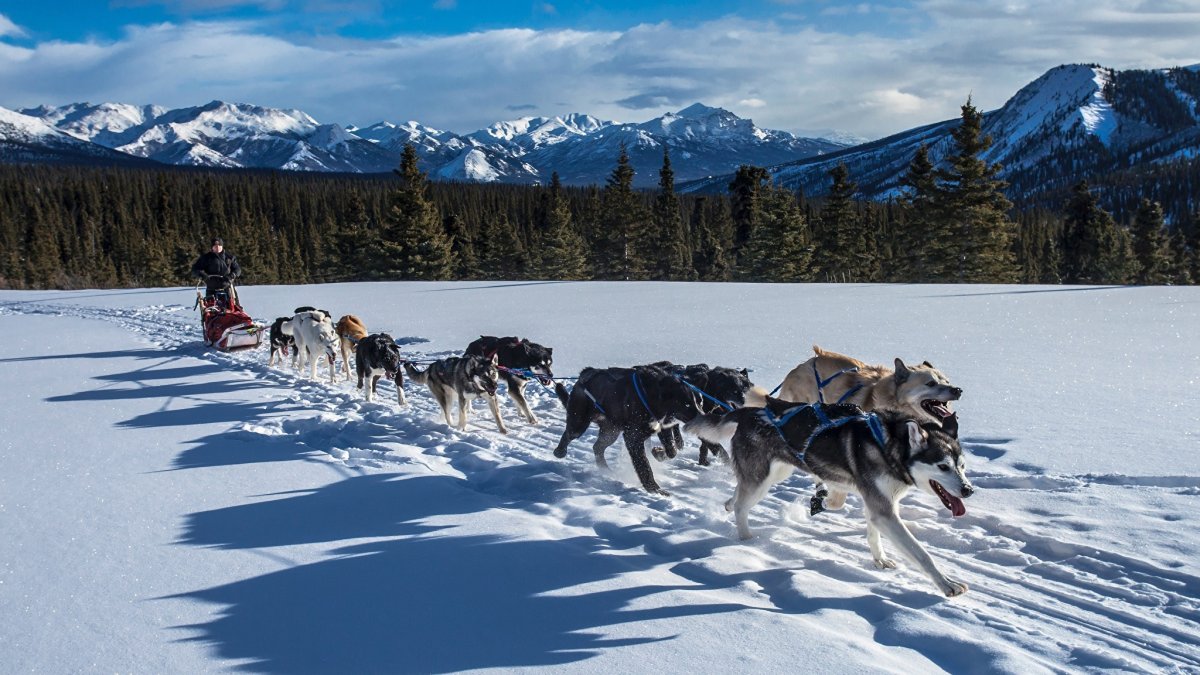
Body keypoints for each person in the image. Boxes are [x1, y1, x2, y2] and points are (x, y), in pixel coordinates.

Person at [191, 237, 242, 301]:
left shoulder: (229, 257)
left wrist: (232, 275)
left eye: (219, 245)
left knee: (235, 308)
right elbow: (195, 269)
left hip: (228, 287)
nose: (217, 247)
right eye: (215, 246)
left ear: (222, 246)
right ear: (212, 247)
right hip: (211, 288)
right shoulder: (206, 258)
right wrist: (202, 275)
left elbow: (237, 269)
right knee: (211, 309)